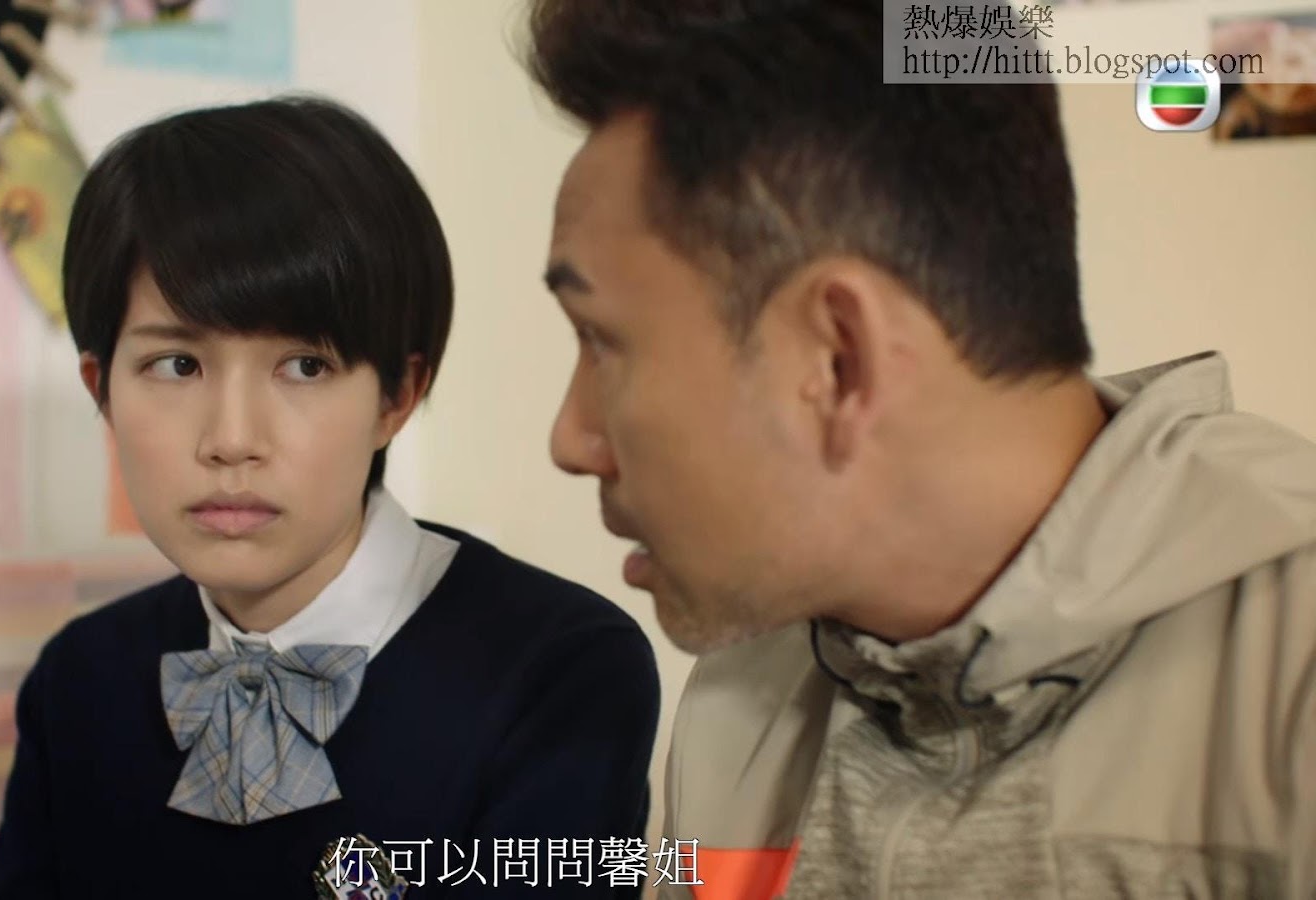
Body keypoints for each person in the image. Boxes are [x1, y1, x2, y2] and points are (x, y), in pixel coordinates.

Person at [525, 1, 1316, 897]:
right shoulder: (743, 698)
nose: (571, 440)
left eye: (601, 340)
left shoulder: (1289, 675)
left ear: (839, 359)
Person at [0, 96, 660, 898]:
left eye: (305, 366)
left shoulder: (560, 671)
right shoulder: (78, 679)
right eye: (177, 366)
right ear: (102, 389)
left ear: (397, 396)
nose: (232, 439)